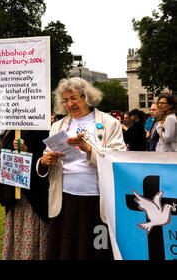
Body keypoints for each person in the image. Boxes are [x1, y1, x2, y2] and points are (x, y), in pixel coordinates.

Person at [37, 77, 126, 260]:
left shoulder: (109, 123)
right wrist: (45, 161)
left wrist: (88, 150)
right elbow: (47, 153)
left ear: (87, 97)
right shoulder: (58, 126)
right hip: (64, 198)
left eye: (74, 98)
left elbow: (119, 158)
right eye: (65, 100)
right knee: (66, 249)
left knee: (95, 250)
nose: (70, 104)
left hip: (95, 200)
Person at [0, 129, 49, 259]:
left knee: (30, 248)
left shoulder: (42, 129)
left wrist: (27, 153)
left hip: (33, 201)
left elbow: (45, 165)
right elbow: (6, 165)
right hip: (14, 200)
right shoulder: (9, 132)